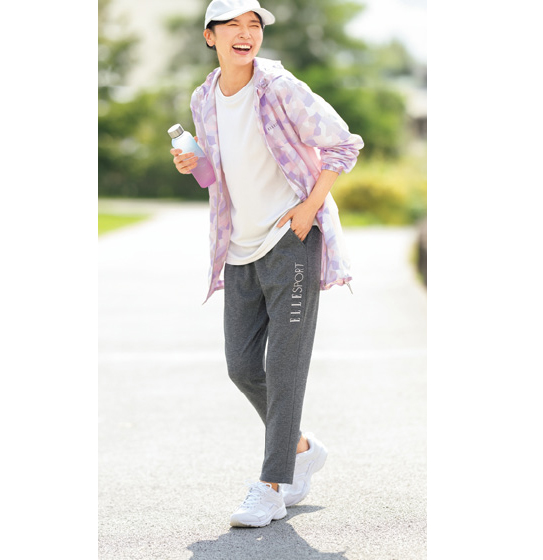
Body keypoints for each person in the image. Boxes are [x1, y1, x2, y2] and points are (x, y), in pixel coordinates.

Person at [170, 0, 364, 528]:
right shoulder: (204, 97)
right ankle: (301, 449)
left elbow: (344, 145)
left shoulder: (279, 88)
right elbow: (215, 176)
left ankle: (273, 486)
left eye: (253, 24)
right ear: (210, 36)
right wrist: (193, 163)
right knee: (241, 366)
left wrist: (308, 209)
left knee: (284, 368)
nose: (245, 33)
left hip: (290, 239)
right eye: (233, 24)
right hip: (239, 247)